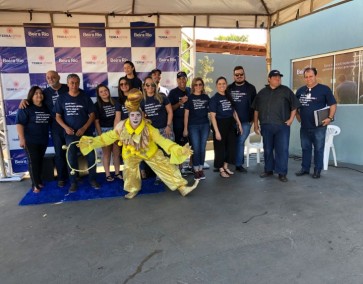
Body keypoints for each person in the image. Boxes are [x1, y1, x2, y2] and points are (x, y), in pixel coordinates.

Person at [78, 89, 199, 199]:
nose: (135, 117)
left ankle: (182, 187)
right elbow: (106, 138)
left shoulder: (149, 128)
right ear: (128, 116)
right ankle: (132, 189)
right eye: (132, 115)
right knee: (130, 170)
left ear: (142, 116)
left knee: (165, 165)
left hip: (149, 151)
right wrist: (91, 142)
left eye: (138, 115)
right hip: (130, 153)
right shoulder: (121, 127)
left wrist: (178, 149)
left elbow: (163, 141)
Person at [19, 70, 69, 187]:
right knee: (59, 153)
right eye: (48, 77)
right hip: (55, 128)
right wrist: (24, 100)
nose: (50, 79)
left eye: (53, 76)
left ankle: (74, 176)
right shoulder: (45, 92)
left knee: (72, 151)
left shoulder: (68, 88)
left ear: (59, 76)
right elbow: (35, 99)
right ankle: (61, 178)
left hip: (71, 126)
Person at [54, 74, 99, 192]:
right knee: (71, 157)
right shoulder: (62, 98)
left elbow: (93, 115)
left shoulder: (85, 97)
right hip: (70, 134)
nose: (74, 85)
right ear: (68, 84)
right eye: (72, 83)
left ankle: (93, 180)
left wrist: (84, 128)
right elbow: (58, 116)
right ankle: (73, 182)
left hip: (86, 133)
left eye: (76, 83)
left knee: (91, 157)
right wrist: (66, 128)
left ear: (79, 83)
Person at [252, 70, 299, 182]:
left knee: (282, 150)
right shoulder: (262, 93)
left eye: (279, 77)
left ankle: (282, 173)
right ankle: (268, 170)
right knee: (267, 149)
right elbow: (256, 110)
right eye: (275, 77)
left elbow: (294, 106)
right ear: (269, 79)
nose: (278, 79)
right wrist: (255, 125)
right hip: (266, 126)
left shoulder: (286, 91)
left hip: (282, 127)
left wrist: (291, 119)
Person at [295, 67, 337, 178]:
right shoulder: (300, 91)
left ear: (315, 76)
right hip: (304, 126)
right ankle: (305, 169)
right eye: (306, 77)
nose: (308, 79)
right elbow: (294, 107)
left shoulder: (324, 89)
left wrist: (330, 118)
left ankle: (317, 170)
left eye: (311, 76)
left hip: (319, 126)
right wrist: (297, 116)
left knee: (318, 149)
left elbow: (333, 104)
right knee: (305, 148)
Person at [16, 86, 51, 193]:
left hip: (43, 140)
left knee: (39, 161)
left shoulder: (46, 107)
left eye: (40, 93)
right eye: (36, 93)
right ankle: (35, 185)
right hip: (30, 141)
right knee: (33, 162)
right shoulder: (25, 107)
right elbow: (19, 124)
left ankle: (39, 181)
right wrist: (22, 139)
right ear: (31, 95)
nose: (39, 95)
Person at [210, 76, 242, 178]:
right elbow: (212, 117)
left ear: (226, 85)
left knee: (230, 147)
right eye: (219, 84)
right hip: (219, 124)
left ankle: (225, 166)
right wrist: (217, 131)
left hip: (230, 124)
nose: (222, 85)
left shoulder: (229, 96)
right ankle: (220, 169)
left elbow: (234, 112)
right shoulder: (214, 99)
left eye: (223, 83)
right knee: (220, 149)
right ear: (216, 86)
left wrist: (239, 124)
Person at [228, 66, 257, 173]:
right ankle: (229, 162)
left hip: (246, 121)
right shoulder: (229, 88)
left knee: (240, 141)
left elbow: (255, 106)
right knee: (231, 142)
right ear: (234, 76)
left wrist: (253, 121)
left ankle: (238, 164)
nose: (239, 76)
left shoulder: (251, 88)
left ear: (244, 75)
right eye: (237, 75)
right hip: (231, 121)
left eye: (241, 74)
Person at [183, 77, 210, 180]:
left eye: (200, 84)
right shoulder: (189, 98)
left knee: (202, 148)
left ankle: (201, 169)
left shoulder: (206, 97)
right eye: (196, 85)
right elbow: (186, 114)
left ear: (202, 86)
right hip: (193, 126)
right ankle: (195, 169)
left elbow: (211, 112)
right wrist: (185, 128)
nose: (198, 86)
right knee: (196, 148)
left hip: (204, 125)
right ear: (193, 86)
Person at [94, 84, 122, 181]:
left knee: (116, 153)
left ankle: (117, 173)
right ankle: (108, 174)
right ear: (98, 94)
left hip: (116, 130)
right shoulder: (96, 105)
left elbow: (118, 117)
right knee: (106, 154)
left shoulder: (115, 102)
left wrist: (116, 131)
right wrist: (101, 135)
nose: (104, 93)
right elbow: (96, 121)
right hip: (104, 131)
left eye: (105, 90)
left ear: (108, 91)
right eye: (101, 92)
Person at [168, 71, 191, 146]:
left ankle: (193, 158)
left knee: (192, 146)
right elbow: (170, 109)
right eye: (180, 79)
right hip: (178, 123)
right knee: (180, 146)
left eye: (184, 78)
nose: (182, 81)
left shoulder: (190, 90)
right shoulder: (173, 92)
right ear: (177, 80)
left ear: (186, 79)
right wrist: (180, 102)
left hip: (191, 122)